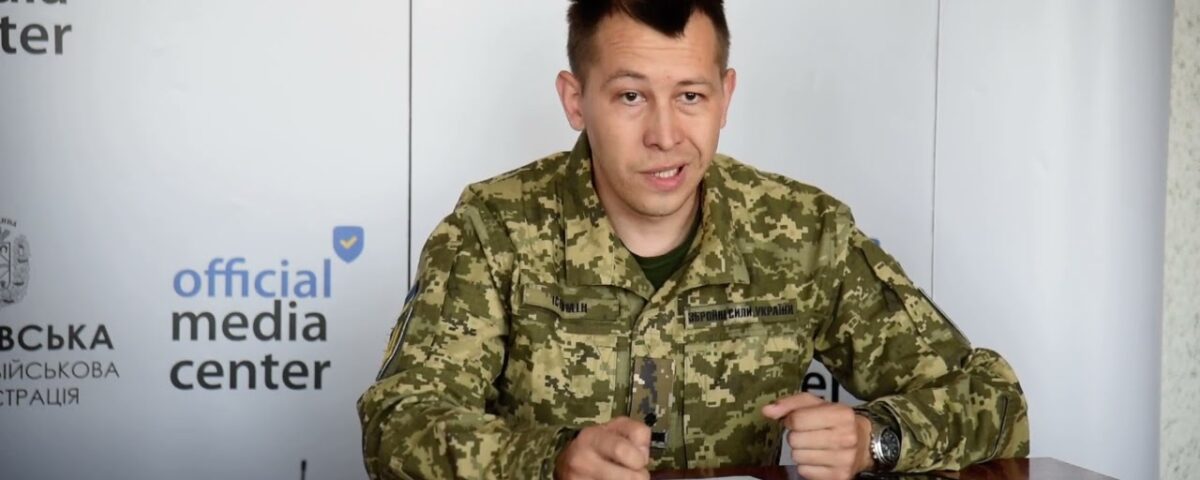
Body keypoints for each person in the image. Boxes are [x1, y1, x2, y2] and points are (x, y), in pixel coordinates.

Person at [358, 1, 1030, 479]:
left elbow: (994, 398)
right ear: (575, 100)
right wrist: (550, 460)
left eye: (690, 96)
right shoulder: (493, 228)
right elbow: (396, 422)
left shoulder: (803, 232)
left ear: (725, 97)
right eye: (630, 97)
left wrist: (872, 439)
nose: (664, 136)